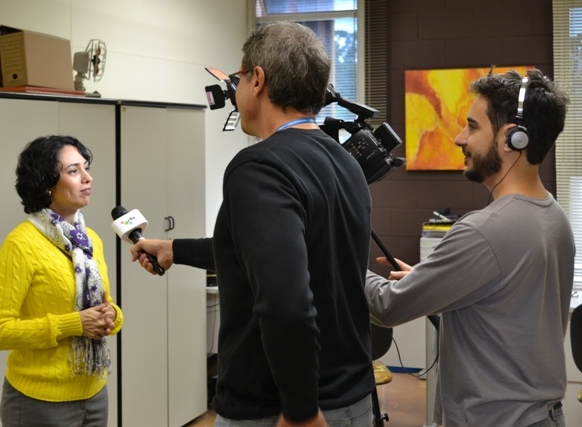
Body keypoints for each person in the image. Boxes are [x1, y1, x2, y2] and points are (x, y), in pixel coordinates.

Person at [131, 22, 374, 427]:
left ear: (257, 79)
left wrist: (300, 411)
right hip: (352, 398)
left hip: (280, 409)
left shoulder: (259, 167)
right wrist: (176, 249)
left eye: (240, 76)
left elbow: (286, 303)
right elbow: (282, 253)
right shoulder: (345, 162)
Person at [365, 69, 573, 427]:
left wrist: (334, 260)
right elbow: (509, 311)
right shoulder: (555, 218)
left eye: (473, 127)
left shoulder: (483, 231)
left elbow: (388, 305)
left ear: (513, 138)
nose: (460, 138)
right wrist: (430, 281)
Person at [0, 135, 124, 427]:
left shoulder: (90, 240)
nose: (88, 178)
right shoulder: (20, 245)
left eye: (86, 168)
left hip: (95, 393)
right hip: (39, 402)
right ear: (47, 184)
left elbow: (103, 306)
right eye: (74, 171)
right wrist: (74, 324)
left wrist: (113, 315)